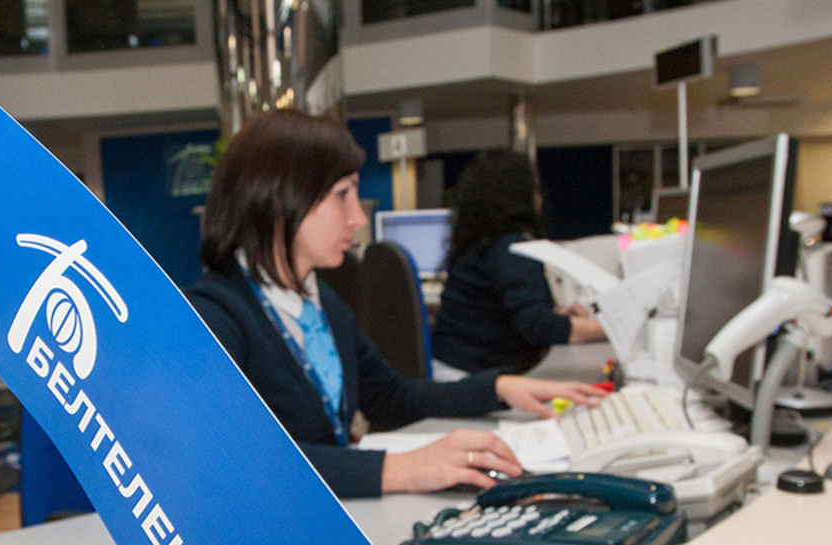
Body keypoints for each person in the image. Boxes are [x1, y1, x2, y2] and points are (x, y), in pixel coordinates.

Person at [185, 110, 605, 498]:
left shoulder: (322, 302)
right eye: (342, 195)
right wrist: (401, 469)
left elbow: (391, 398)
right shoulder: (212, 317)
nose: (358, 217)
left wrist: (498, 388)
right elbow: (236, 460)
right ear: (281, 198)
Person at [430, 150, 606, 379]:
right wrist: (611, 329)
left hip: (453, 366)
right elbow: (538, 327)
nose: (540, 198)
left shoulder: (478, 243)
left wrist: (560, 314)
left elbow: (501, 311)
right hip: (473, 376)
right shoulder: (511, 247)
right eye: (535, 190)